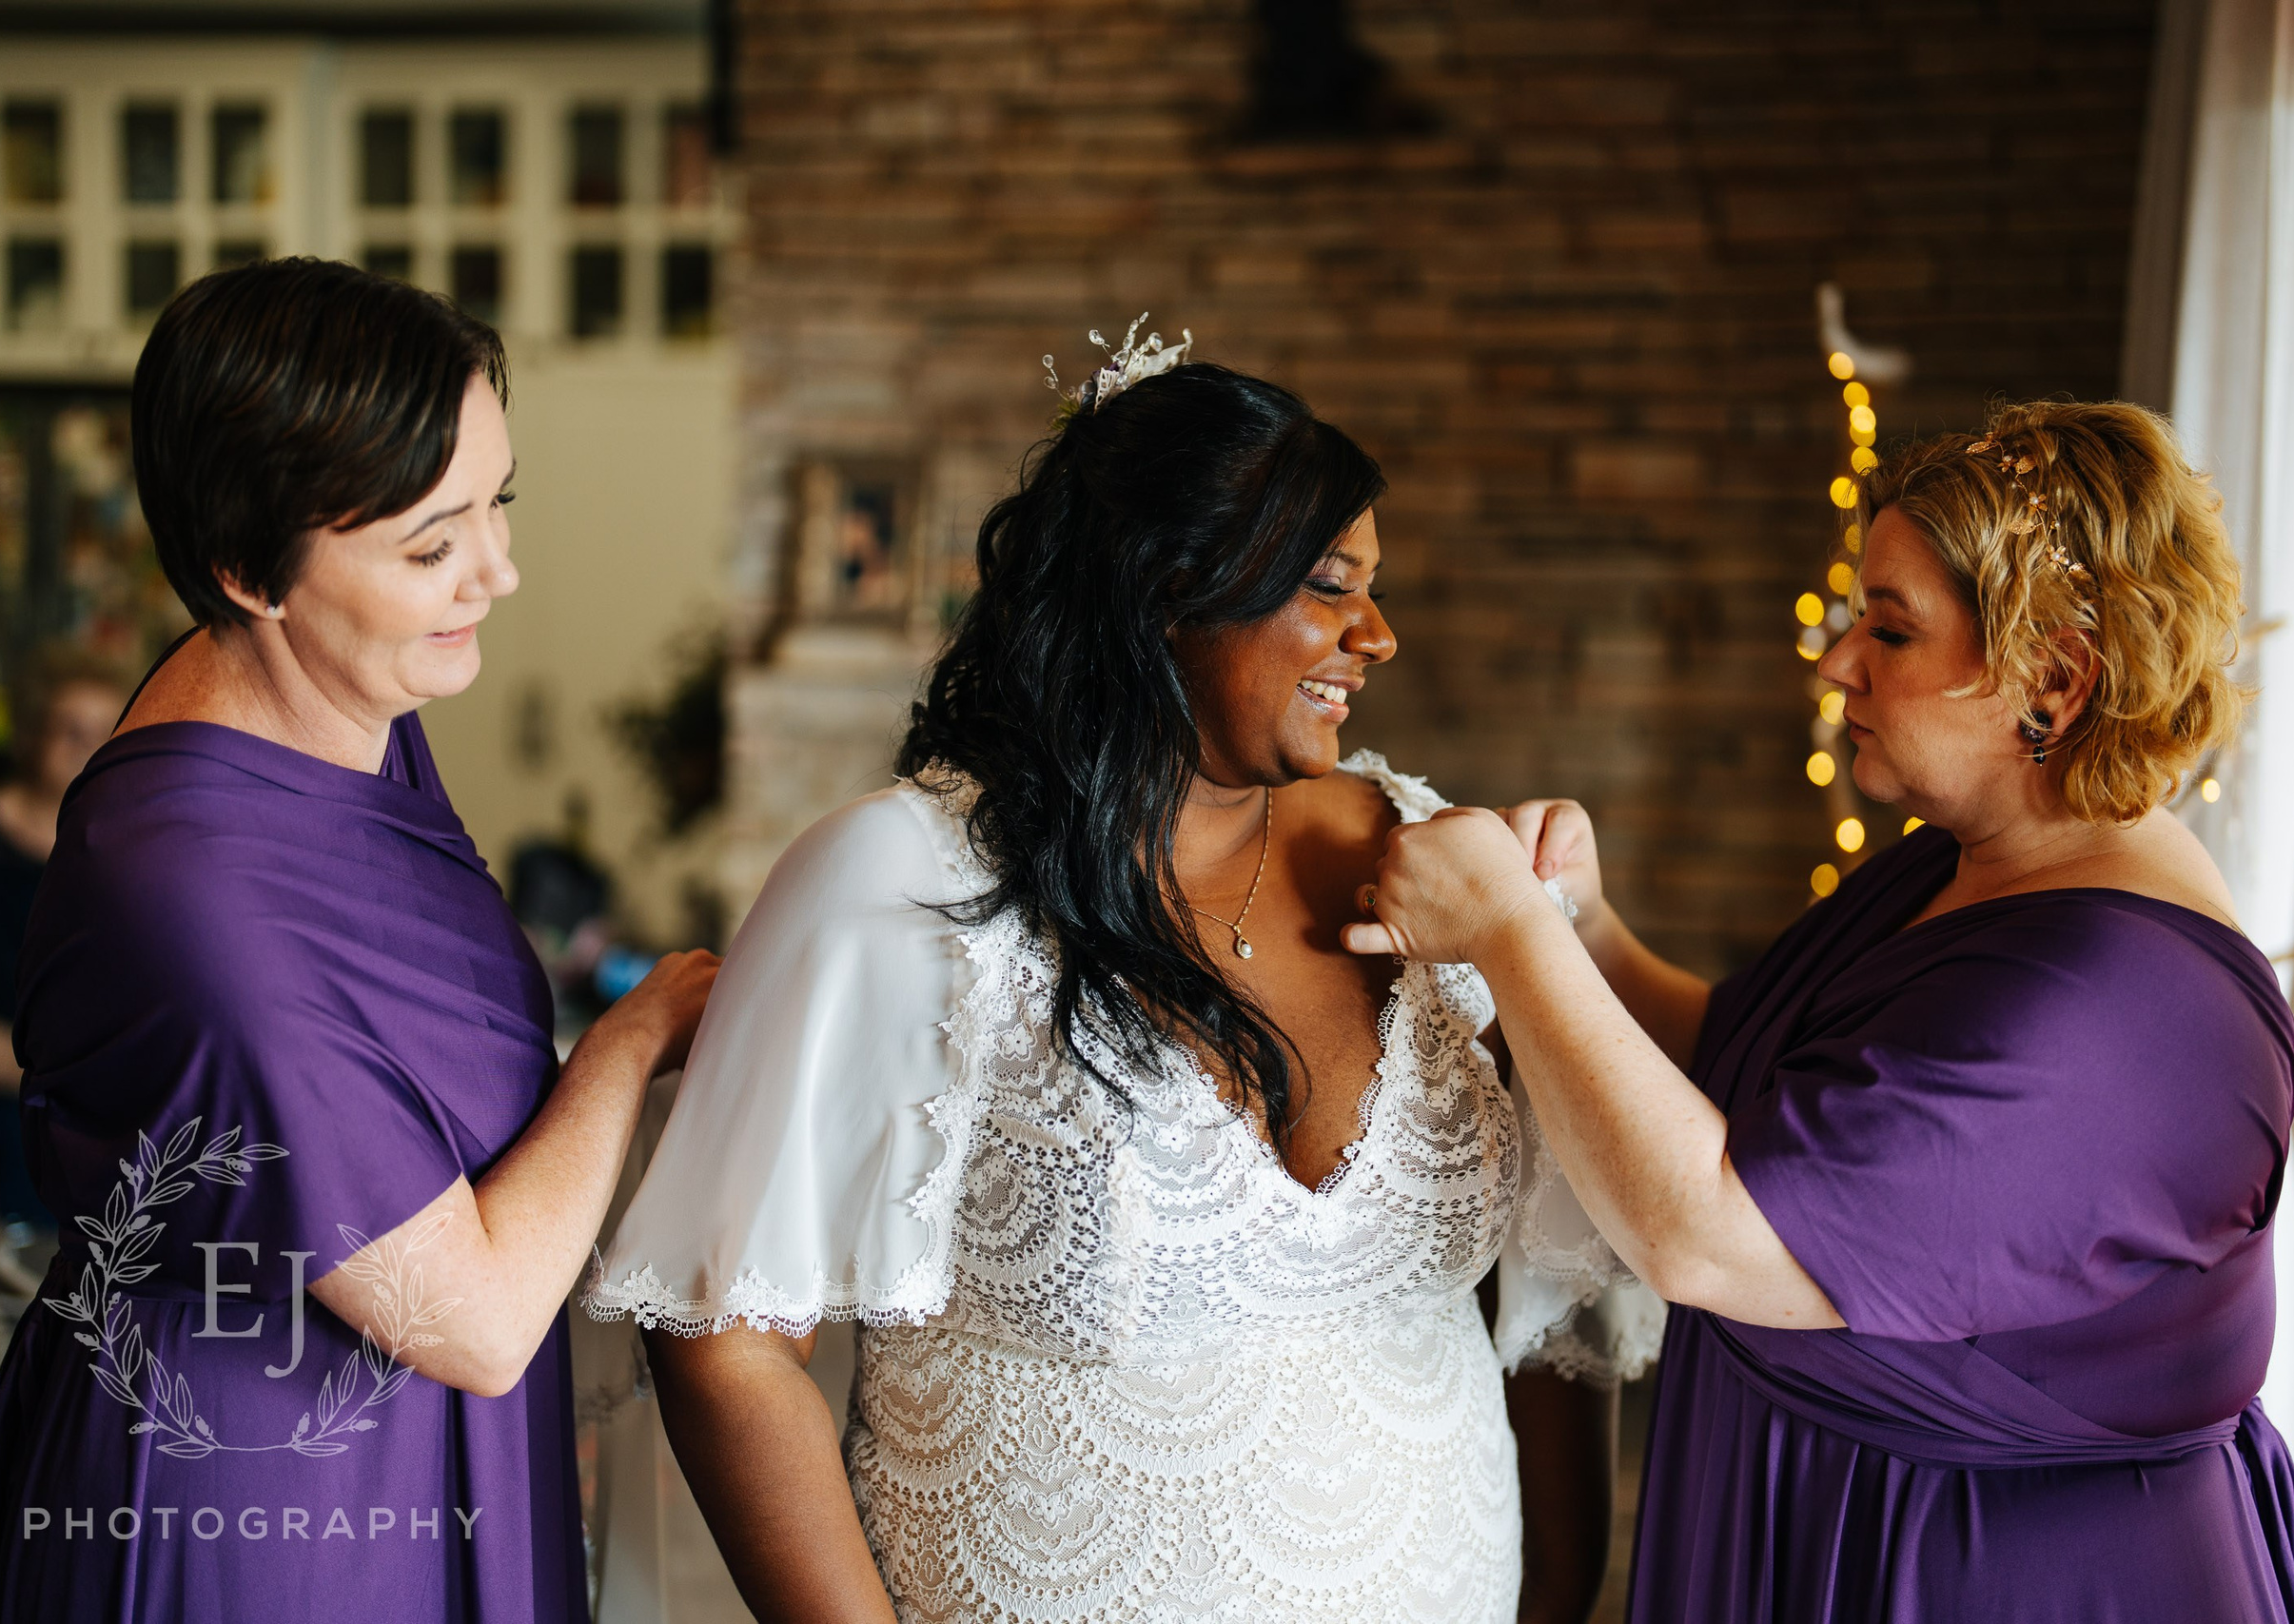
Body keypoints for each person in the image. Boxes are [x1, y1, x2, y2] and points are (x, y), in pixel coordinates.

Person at [584, 335, 1662, 1622]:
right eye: (1328, 584)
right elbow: (725, 1332)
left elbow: (1555, 1306)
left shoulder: (1435, 864)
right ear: (1166, 589)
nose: (1377, 635)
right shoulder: (903, 881)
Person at [1344, 399, 2294, 1621]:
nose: (1836, 659)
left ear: (2054, 681)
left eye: (1891, 630)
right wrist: (1586, 927)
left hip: (1990, 1576)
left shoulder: (2111, 1016)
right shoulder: (1977, 854)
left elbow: (1705, 1232)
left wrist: (1509, 935)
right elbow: (1745, 1073)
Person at [0, 259, 718, 1622]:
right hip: (279, 1512)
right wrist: (635, 1034)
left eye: (499, 501)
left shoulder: (335, 703)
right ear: (251, 570)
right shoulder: (202, 901)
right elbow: (475, 1321)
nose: (497, 569)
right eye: (432, 545)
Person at [0, 648, 129, 1253]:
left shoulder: (138, 850)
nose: (93, 747)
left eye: (110, 731)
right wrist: (79, 1082)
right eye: (70, 730)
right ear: (31, 733)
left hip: (121, 1142)